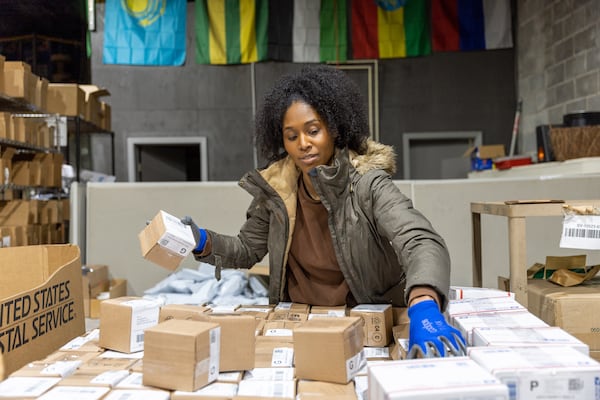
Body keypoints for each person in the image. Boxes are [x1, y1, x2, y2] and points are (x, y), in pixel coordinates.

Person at [182, 64, 465, 358]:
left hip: (361, 321)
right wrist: (202, 241)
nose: (303, 144)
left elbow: (420, 240)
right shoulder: (277, 191)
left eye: (313, 131)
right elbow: (246, 249)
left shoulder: (367, 184)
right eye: (292, 136)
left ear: (334, 129)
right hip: (300, 322)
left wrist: (423, 303)